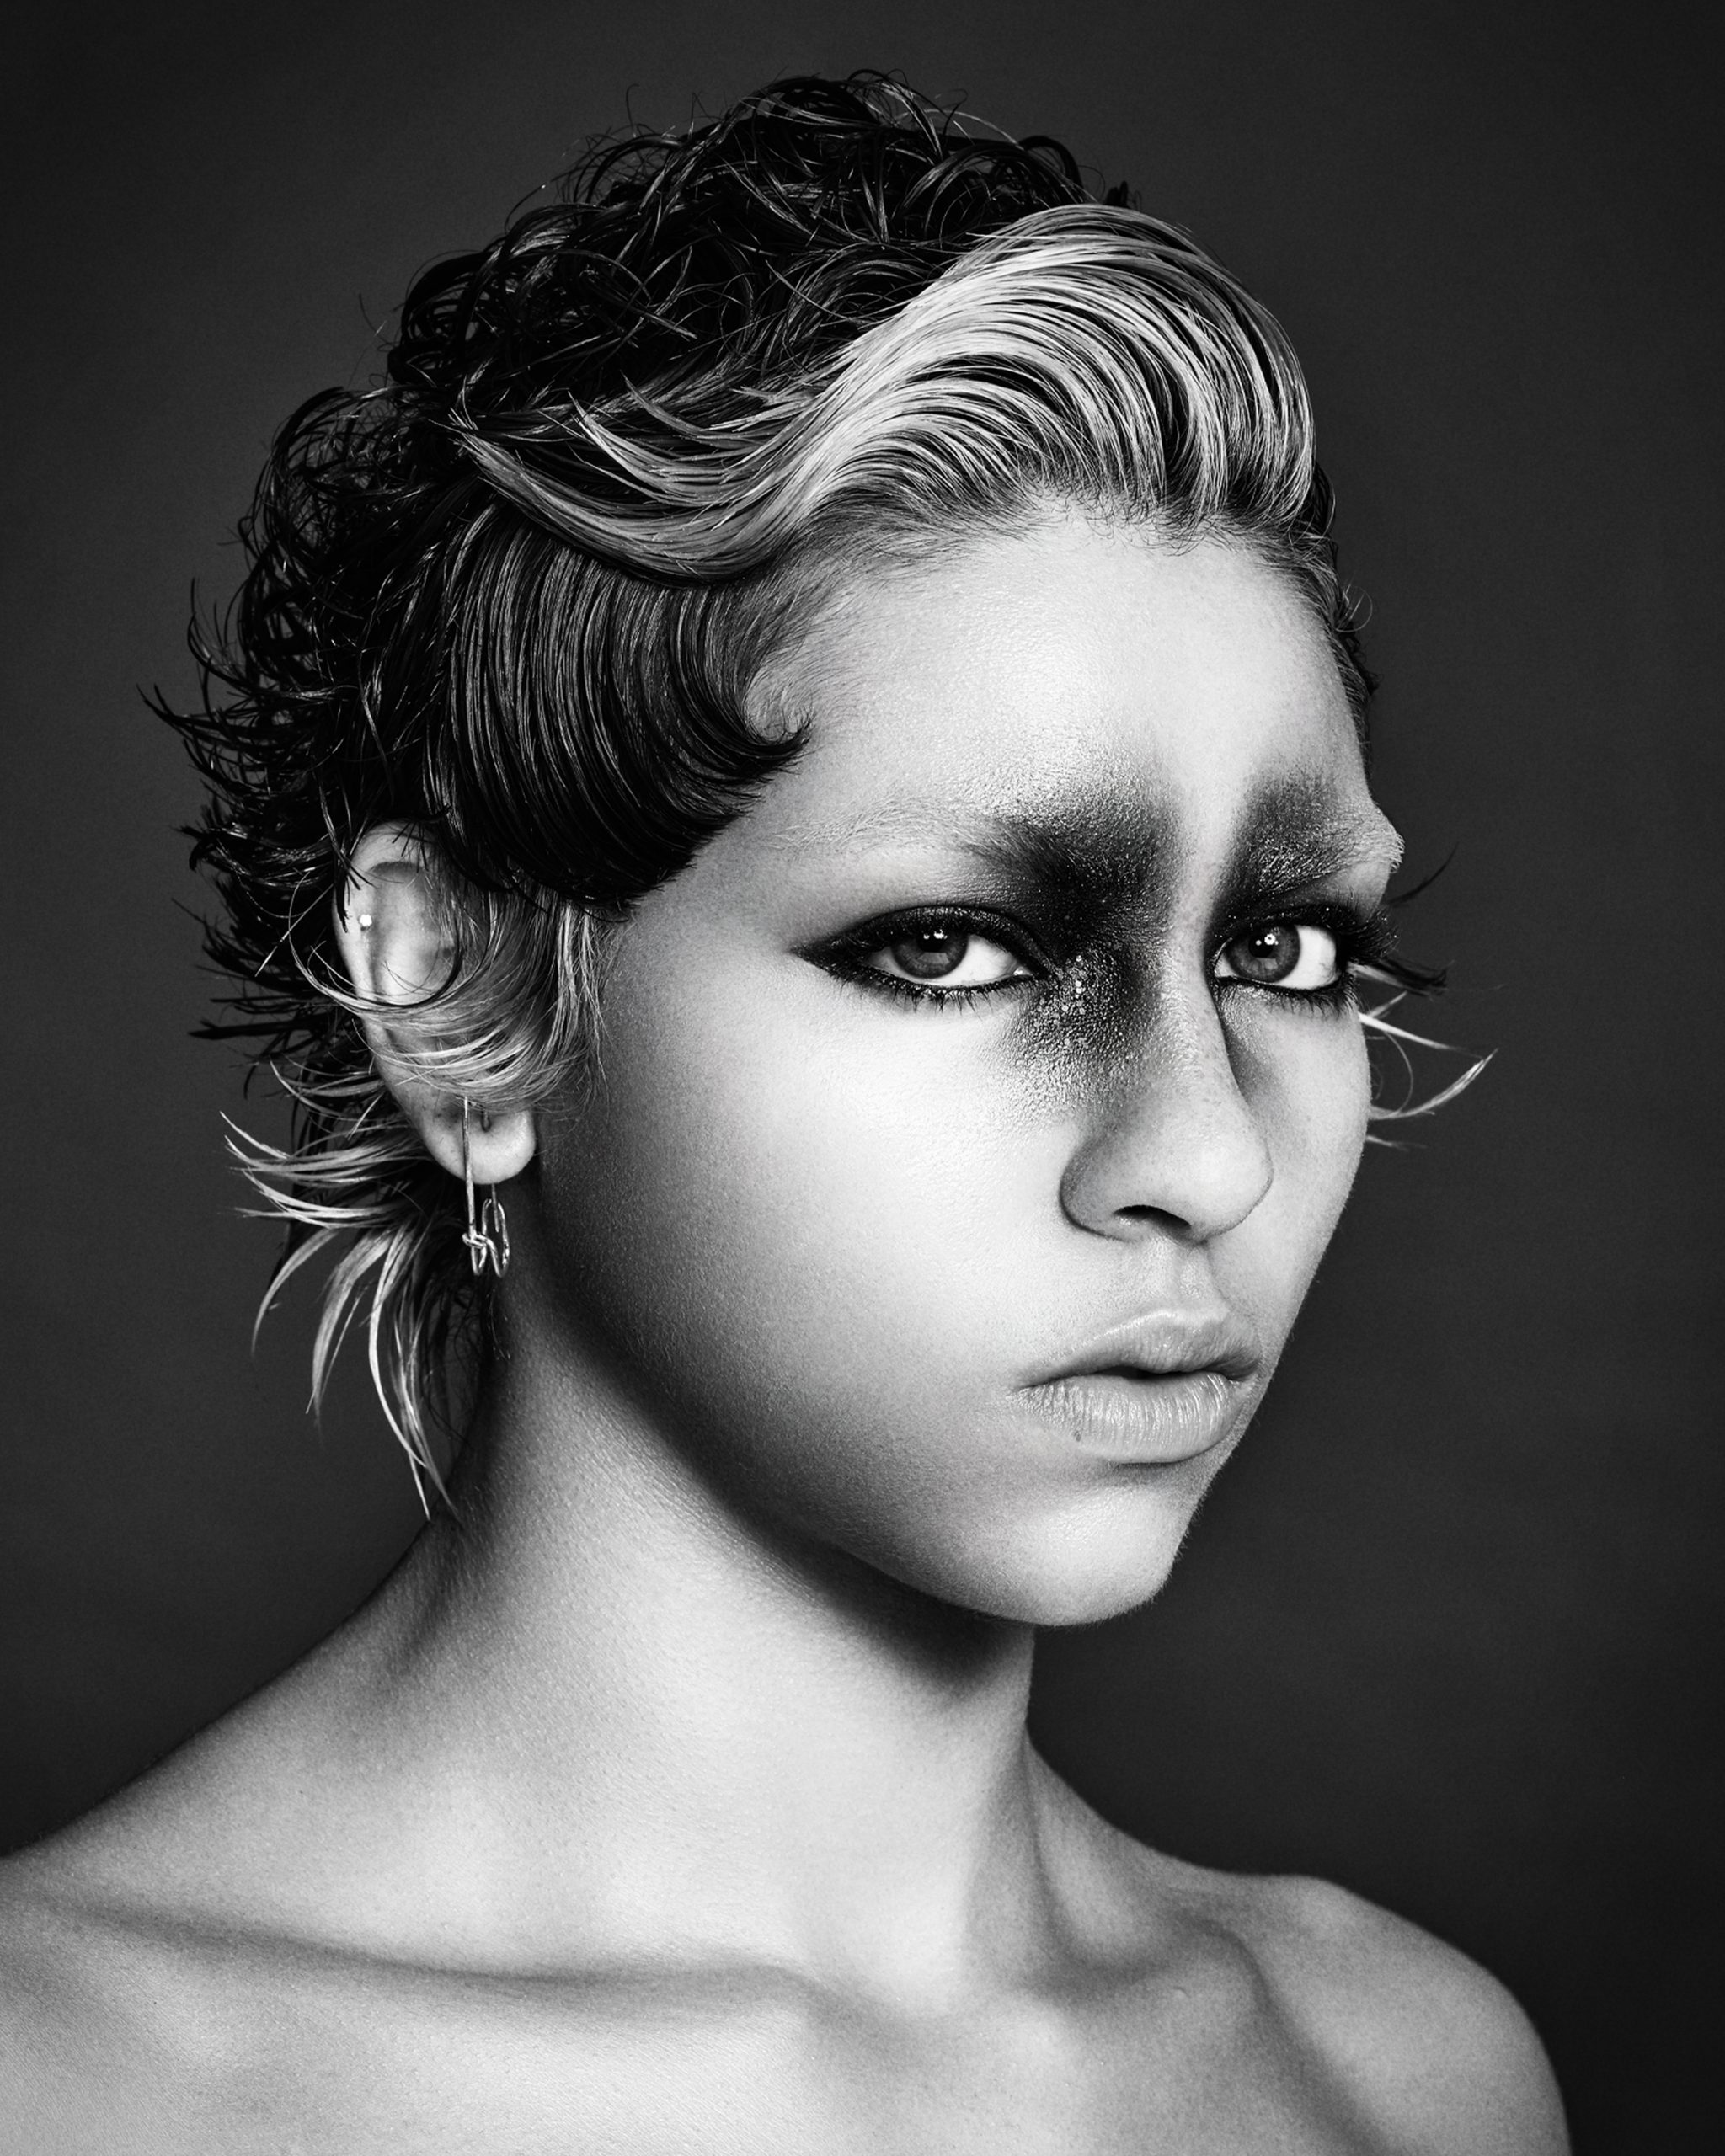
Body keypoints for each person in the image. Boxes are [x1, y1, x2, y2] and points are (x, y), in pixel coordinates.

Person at [0, 73, 1567, 2153]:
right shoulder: (65, 2085)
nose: (1206, 1156)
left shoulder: (1406, 2077)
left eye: (1279, 948)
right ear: (458, 995)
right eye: (951, 945)